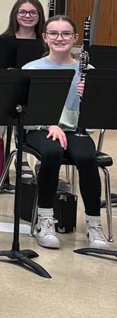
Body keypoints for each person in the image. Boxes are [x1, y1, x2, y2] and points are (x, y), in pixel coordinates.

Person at [23, 15, 110, 250]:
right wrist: (48, 124)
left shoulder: (88, 70)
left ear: (75, 38)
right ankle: (46, 219)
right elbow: (24, 111)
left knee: (86, 157)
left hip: (75, 129)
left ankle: (94, 224)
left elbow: (99, 114)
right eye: (53, 33)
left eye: (65, 34)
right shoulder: (32, 68)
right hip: (40, 128)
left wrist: (89, 97)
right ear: (45, 37)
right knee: (51, 152)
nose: (59, 38)